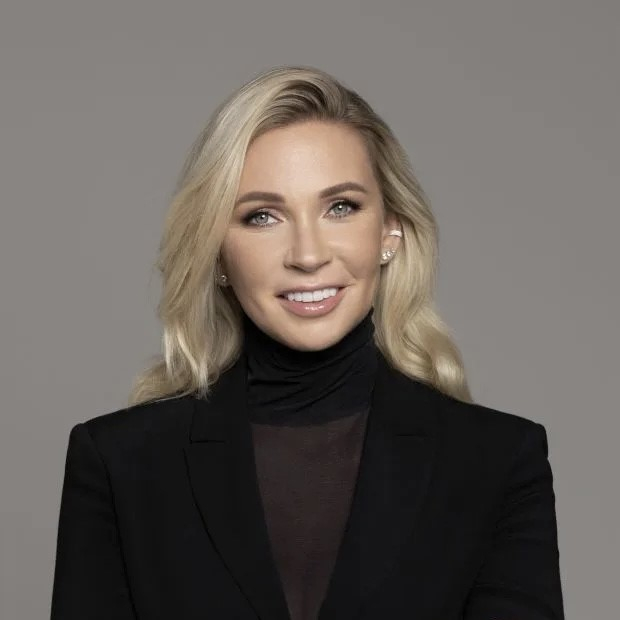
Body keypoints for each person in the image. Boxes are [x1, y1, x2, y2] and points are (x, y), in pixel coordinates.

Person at [50, 65, 565, 620]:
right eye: (262, 216)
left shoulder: (497, 462)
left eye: (340, 207)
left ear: (390, 230)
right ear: (216, 250)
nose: (308, 254)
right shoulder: (119, 464)